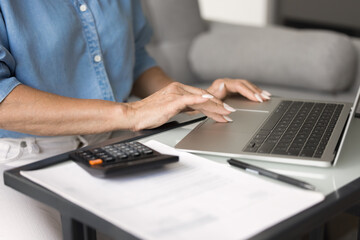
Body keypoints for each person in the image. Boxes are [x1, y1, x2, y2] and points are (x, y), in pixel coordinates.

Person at [0, 0, 271, 239]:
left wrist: (191, 100)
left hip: (109, 145)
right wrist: (131, 113)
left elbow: (135, 57)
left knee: (216, 218)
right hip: (19, 161)